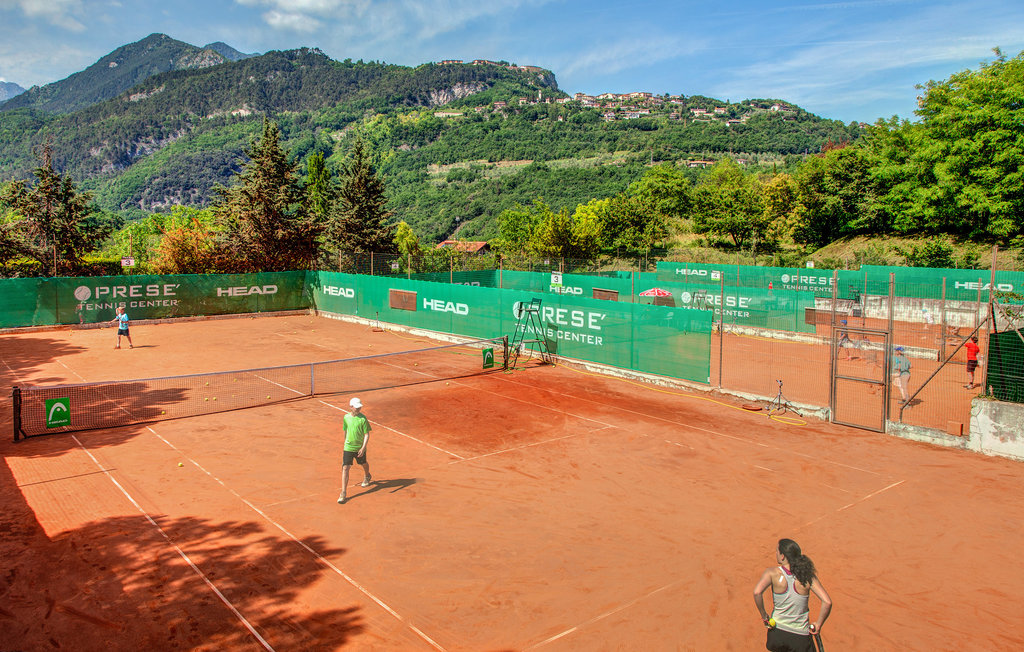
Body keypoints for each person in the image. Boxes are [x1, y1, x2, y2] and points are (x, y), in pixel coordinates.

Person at [754, 538, 832, 652]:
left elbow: (757, 592)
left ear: (782, 556)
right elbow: (827, 602)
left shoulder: (772, 573)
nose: (776, 553)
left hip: (777, 634)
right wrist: (818, 624)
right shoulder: (808, 576)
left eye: (777, 551)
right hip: (800, 638)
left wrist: (765, 616)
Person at [338, 397, 372, 504]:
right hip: (348, 447)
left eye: (359, 407)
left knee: (363, 463)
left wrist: (363, 447)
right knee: (345, 468)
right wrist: (345, 442)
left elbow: (367, 434)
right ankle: (343, 492)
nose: (358, 409)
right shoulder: (346, 417)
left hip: (359, 448)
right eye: (356, 407)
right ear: (351, 407)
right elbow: (345, 430)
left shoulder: (363, 419)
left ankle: (367, 475)